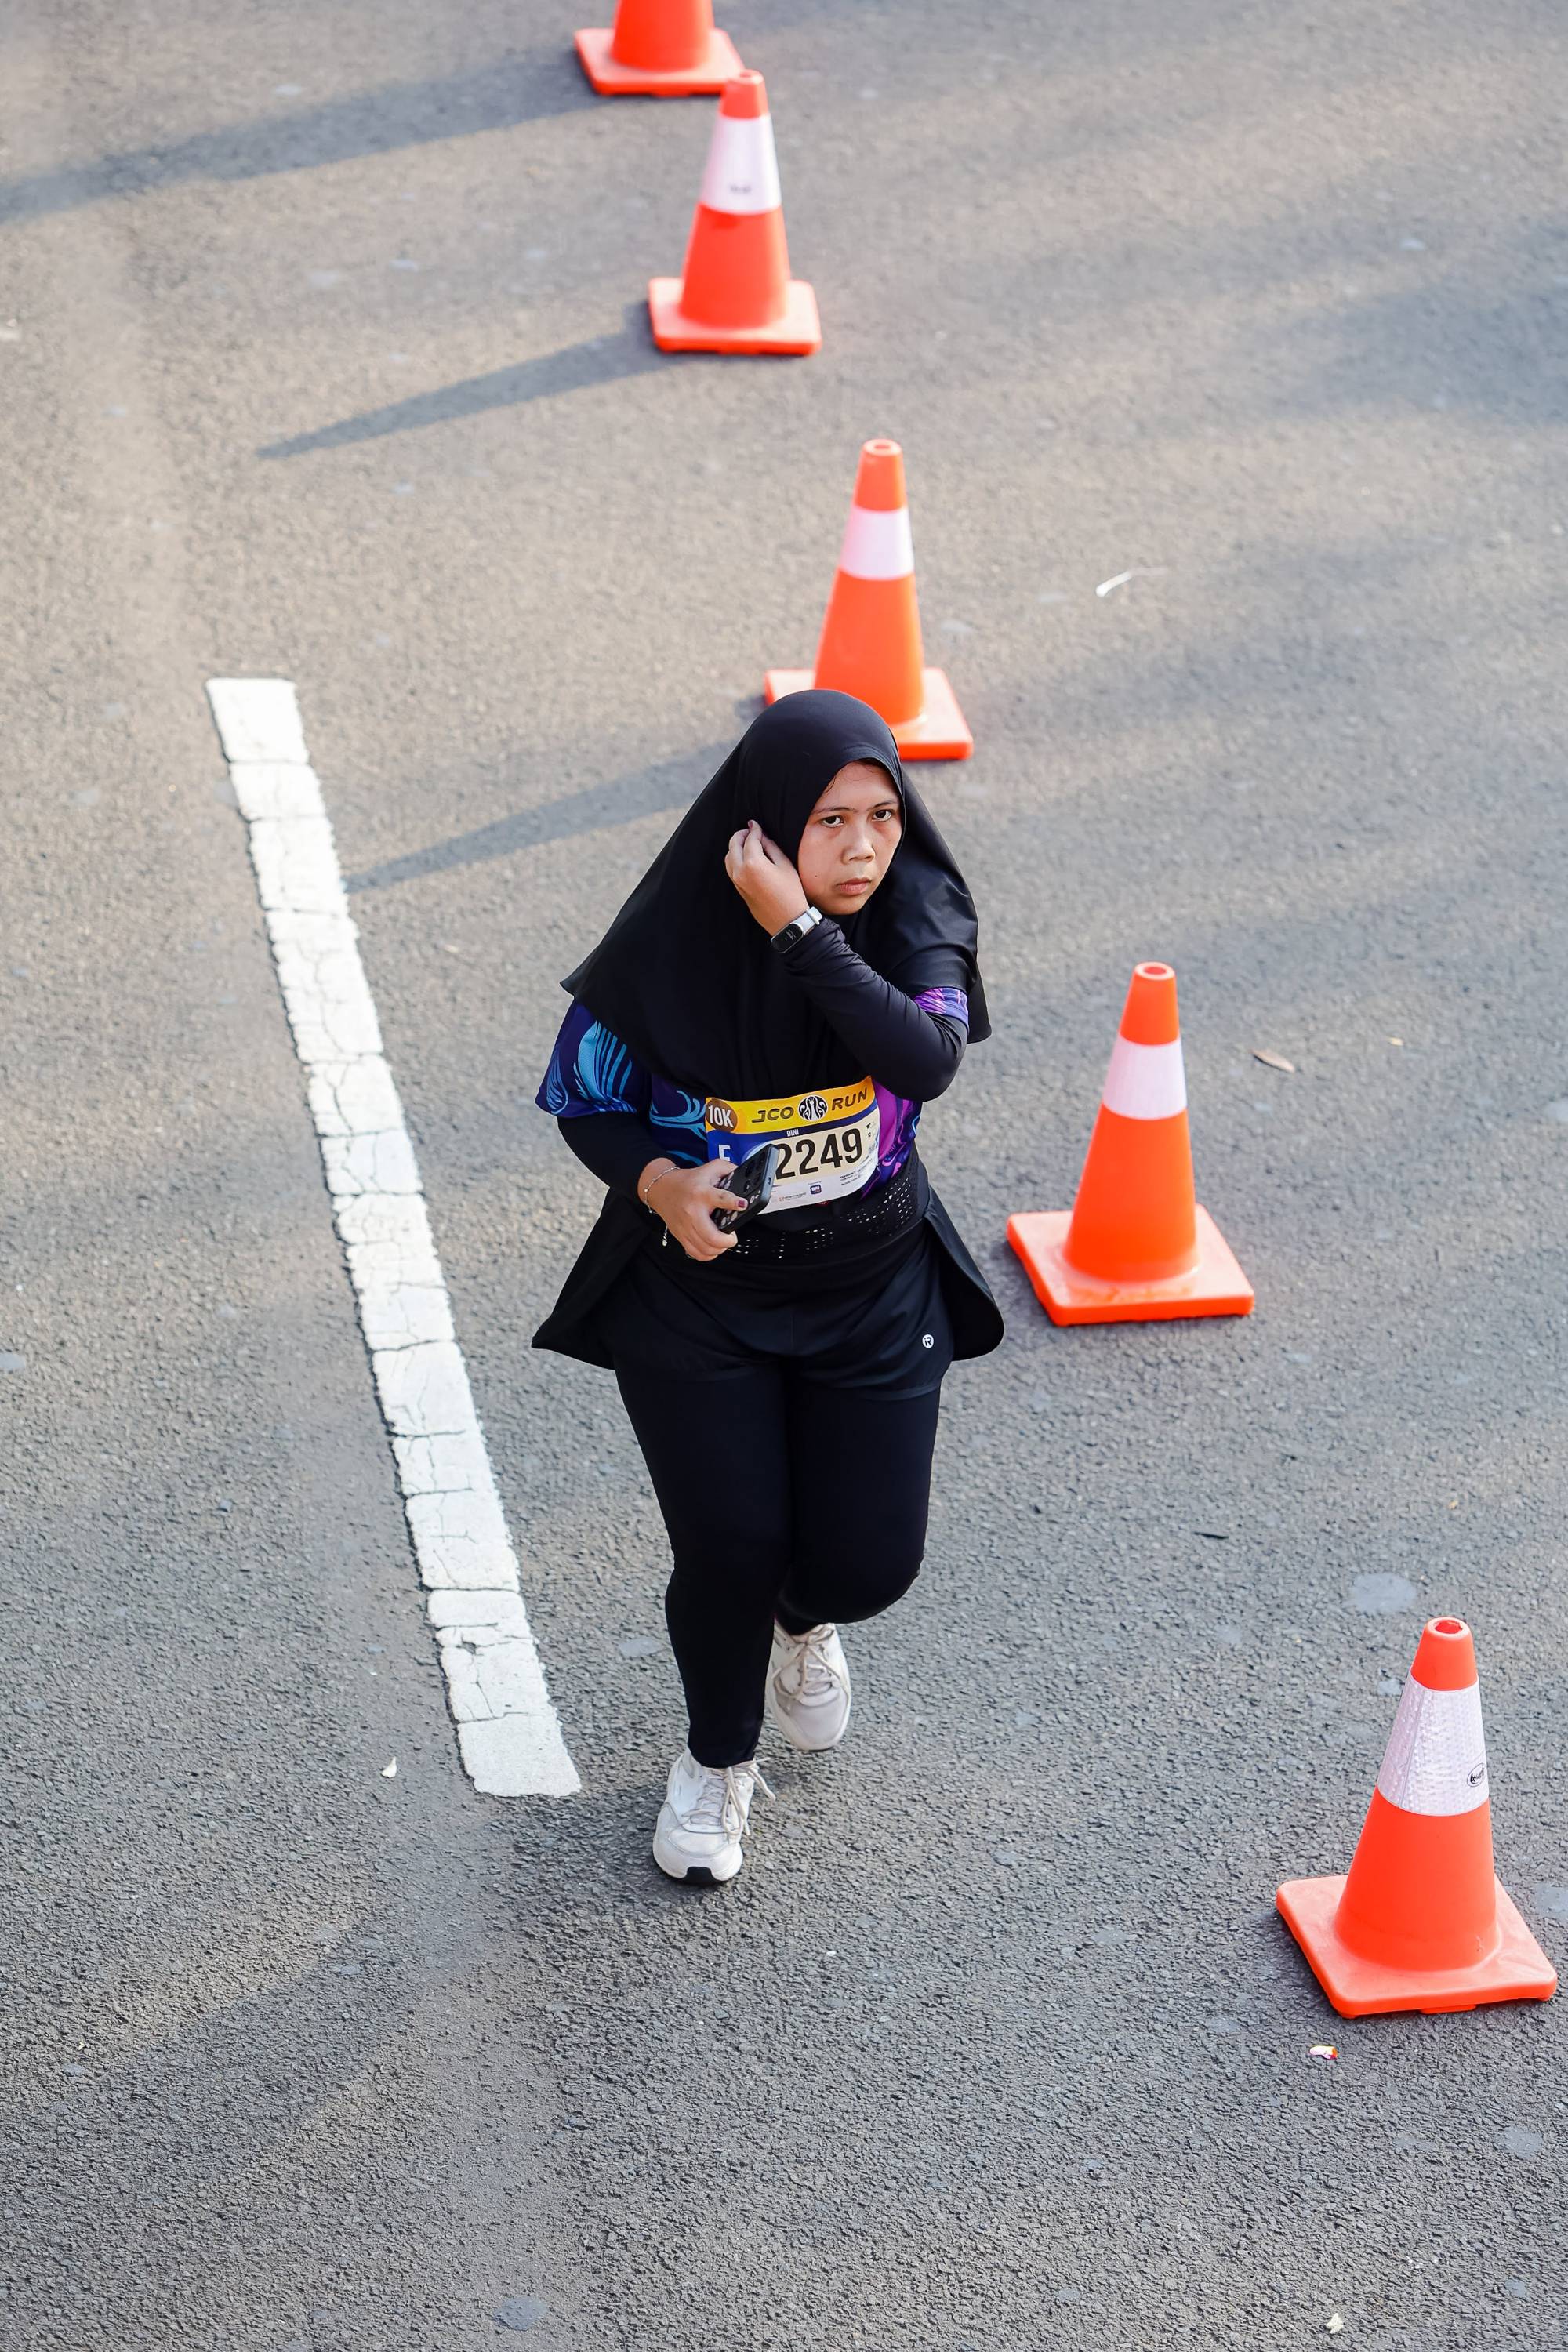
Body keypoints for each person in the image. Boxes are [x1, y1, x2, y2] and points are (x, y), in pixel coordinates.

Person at [534, 691, 1003, 1885]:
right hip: (702, 1298)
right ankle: (715, 1761)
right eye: (830, 821)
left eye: (883, 815)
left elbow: (925, 1060)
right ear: (763, 828)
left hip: (873, 1286)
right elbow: (584, 1099)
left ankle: (806, 1621)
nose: (864, 847)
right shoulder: (673, 939)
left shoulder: (918, 916)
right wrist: (658, 1183)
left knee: (871, 1563)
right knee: (731, 1547)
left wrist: (798, 930)